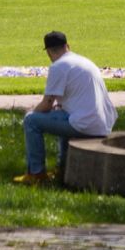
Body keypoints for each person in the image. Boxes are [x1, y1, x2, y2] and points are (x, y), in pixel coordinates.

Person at [15, 31, 116, 184]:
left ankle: (36, 173)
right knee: (62, 113)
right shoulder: (83, 61)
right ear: (67, 46)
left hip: (85, 124)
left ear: (48, 52)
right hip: (102, 123)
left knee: (31, 121)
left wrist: (32, 112)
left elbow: (47, 104)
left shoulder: (58, 66)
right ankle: (62, 168)